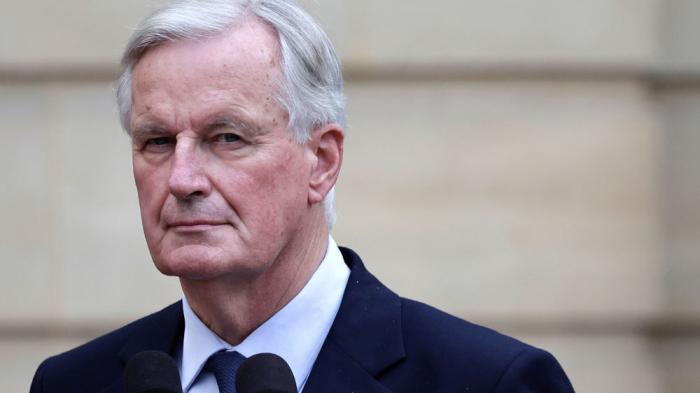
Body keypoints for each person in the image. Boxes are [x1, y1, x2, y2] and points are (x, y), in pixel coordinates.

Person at [30, 1, 575, 392]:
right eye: (157, 141)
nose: (182, 178)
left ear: (322, 161)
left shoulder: (487, 380)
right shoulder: (73, 381)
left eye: (228, 138)